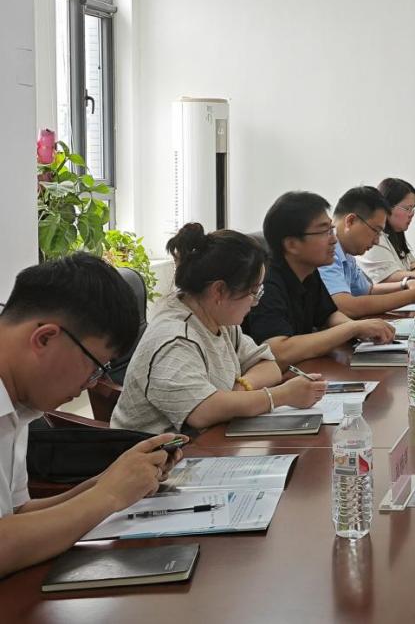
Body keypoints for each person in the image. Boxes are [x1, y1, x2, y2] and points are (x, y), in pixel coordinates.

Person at [0, 254, 182, 578]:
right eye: (96, 367)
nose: (92, 384)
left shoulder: (19, 401)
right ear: (45, 338)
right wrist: (107, 496)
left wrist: (109, 481)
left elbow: (17, 517)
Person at [111, 224, 326, 435]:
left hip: (206, 441)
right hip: (155, 453)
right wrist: (282, 395)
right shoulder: (174, 339)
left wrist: (240, 389)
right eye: (253, 292)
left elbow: (268, 365)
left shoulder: (219, 321)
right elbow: (203, 411)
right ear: (219, 291)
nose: (255, 302)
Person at [244, 191, 396, 365]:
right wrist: (353, 328)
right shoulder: (265, 282)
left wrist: (363, 330)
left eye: (331, 229)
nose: (334, 240)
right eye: (324, 232)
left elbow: (328, 316)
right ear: (292, 244)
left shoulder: (308, 271)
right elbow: (278, 351)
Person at [319, 186, 415, 319]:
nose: (377, 241)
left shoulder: (347, 254)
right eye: (375, 231)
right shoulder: (327, 252)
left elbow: (368, 290)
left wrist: (406, 284)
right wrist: (411, 296)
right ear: (351, 221)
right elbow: (346, 307)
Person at [359, 178, 415, 285]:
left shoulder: (396, 235)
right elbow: (390, 277)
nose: (411, 214)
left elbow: (414, 263)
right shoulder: (375, 238)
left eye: (413, 209)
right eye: (407, 208)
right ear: (388, 207)